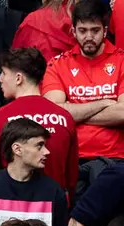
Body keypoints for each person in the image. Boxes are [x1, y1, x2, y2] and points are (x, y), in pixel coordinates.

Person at [0, 48, 78, 197]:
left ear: (18, 78)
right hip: (54, 206)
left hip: (9, 210)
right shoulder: (65, 117)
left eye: (4, 73)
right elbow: (71, 179)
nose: (0, 79)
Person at [42, 0, 124, 170]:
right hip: (71, 158)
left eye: (95, 31)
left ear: (105, 31)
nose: (88, 37)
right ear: (73, 31)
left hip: (115, 159)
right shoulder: (57, 65)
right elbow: (53, 114)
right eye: (82, 30)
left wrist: (75, 111)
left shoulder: (122, 61)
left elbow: (123, 113)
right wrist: (104, 103)